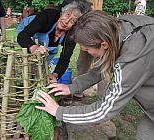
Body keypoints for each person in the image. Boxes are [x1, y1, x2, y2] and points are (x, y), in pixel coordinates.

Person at [35, 11, 154, 140]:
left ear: (104, 44)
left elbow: (104, 111)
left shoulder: (131, 60)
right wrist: (73, 87)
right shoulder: (120, 27)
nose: (87, 53)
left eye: (87, 50)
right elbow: (106, 61)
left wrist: (59, 111)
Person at [17, 0, 92, 82]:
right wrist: (33, 47)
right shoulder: (48, 15)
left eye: (72, 21)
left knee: (43, 65)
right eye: (67, 15)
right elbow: (22, 36)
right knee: (24, 64)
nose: (66, 22)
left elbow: (65, 57)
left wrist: (55, 75)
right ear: (63, 12)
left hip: (45, 45)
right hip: (28, 31)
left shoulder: (71, 34)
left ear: (75, 25)